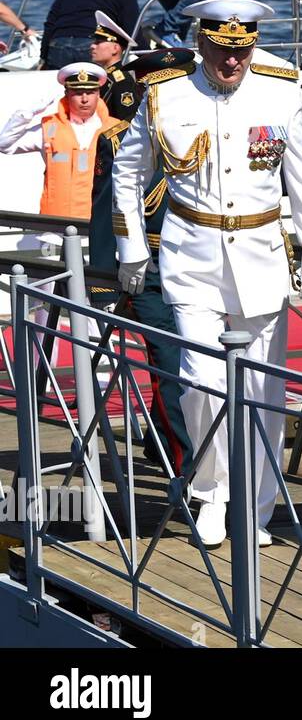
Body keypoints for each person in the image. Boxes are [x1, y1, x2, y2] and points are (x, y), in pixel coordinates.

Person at [113, 0, 302, 548]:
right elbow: (128, 171)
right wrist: (132, 246)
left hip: (260, 255)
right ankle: (210, 493)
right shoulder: (165, 92)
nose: (232, 62)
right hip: (192, 256)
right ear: (200, 41)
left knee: (263, 388)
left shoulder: (281, 89)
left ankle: (254, 507)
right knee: (201, 380)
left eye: (242, 50)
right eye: (221, 50)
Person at [89, 48, 196, 476]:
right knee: (172, 364)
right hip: (145, 270)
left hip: (197, 264)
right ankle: (187, 467)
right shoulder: (116, 141)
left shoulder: (200, 130)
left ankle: (158, 438)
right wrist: (102, 286)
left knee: (195, 362)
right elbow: (102, 217)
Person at [0, 62, 110, 221]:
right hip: (55, 225)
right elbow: (5, 145)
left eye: (90, 92)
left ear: (98, 94)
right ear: (66, 94)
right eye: (78, 93)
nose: (85, 99)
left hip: (100, 224)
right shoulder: (49, 128)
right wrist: (27, 113)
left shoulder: (114, 129)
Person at [89, 11, 139, 120]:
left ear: (115, 48)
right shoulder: (105, 77)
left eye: (98, 42)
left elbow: (126, 121)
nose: (92, 46)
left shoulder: (122, 81)